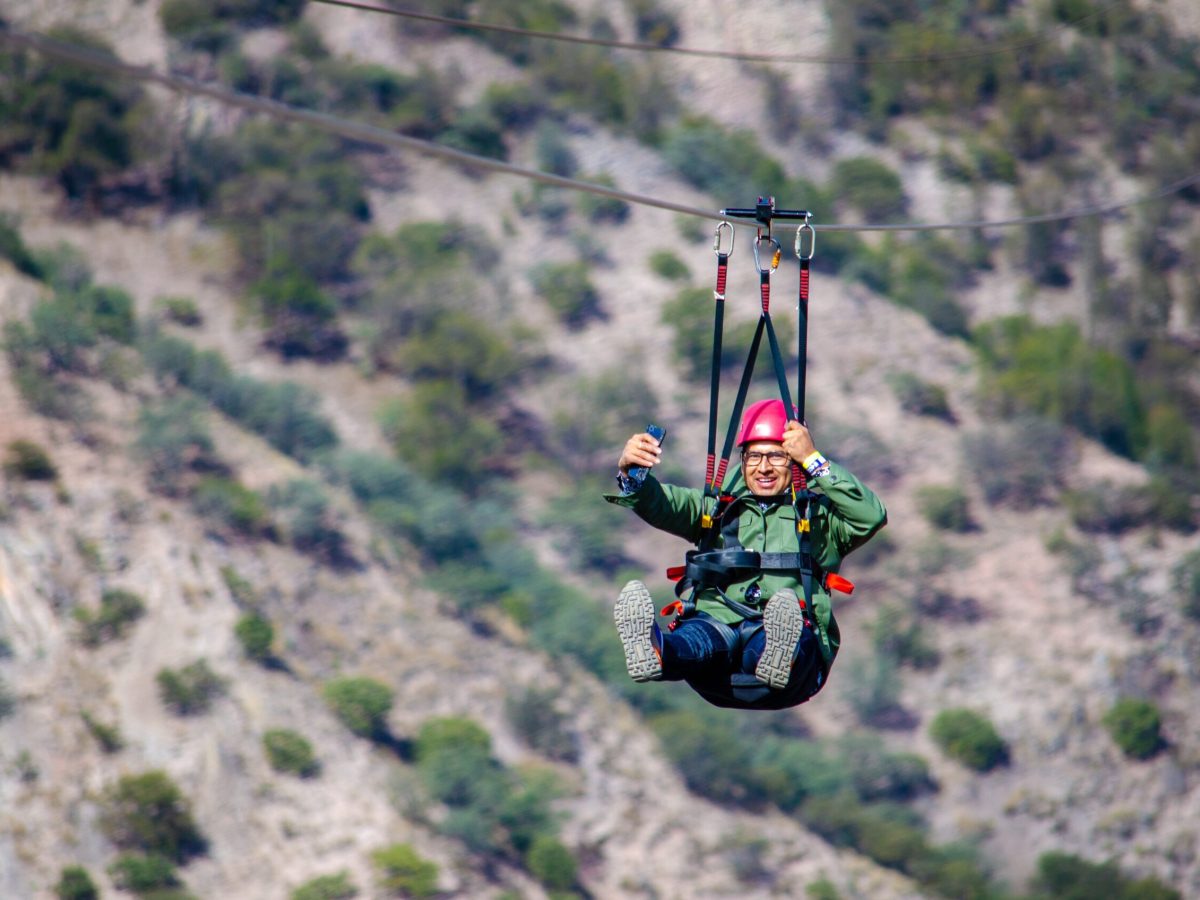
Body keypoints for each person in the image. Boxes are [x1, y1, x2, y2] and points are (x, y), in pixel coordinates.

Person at [604, 399, 887, 708]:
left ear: (794, 459)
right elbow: (663, 504)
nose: (763, 467)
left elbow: (870, 516)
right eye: (754, 456)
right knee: (698, 638)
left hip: (793, 655)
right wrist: (632, 474)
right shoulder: (717, 508)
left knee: (775, 639)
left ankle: (778, 657)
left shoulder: (823, 518)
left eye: (777, 456)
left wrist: (814, 461)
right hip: (717, 632)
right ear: (743, 459)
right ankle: (658, 650)